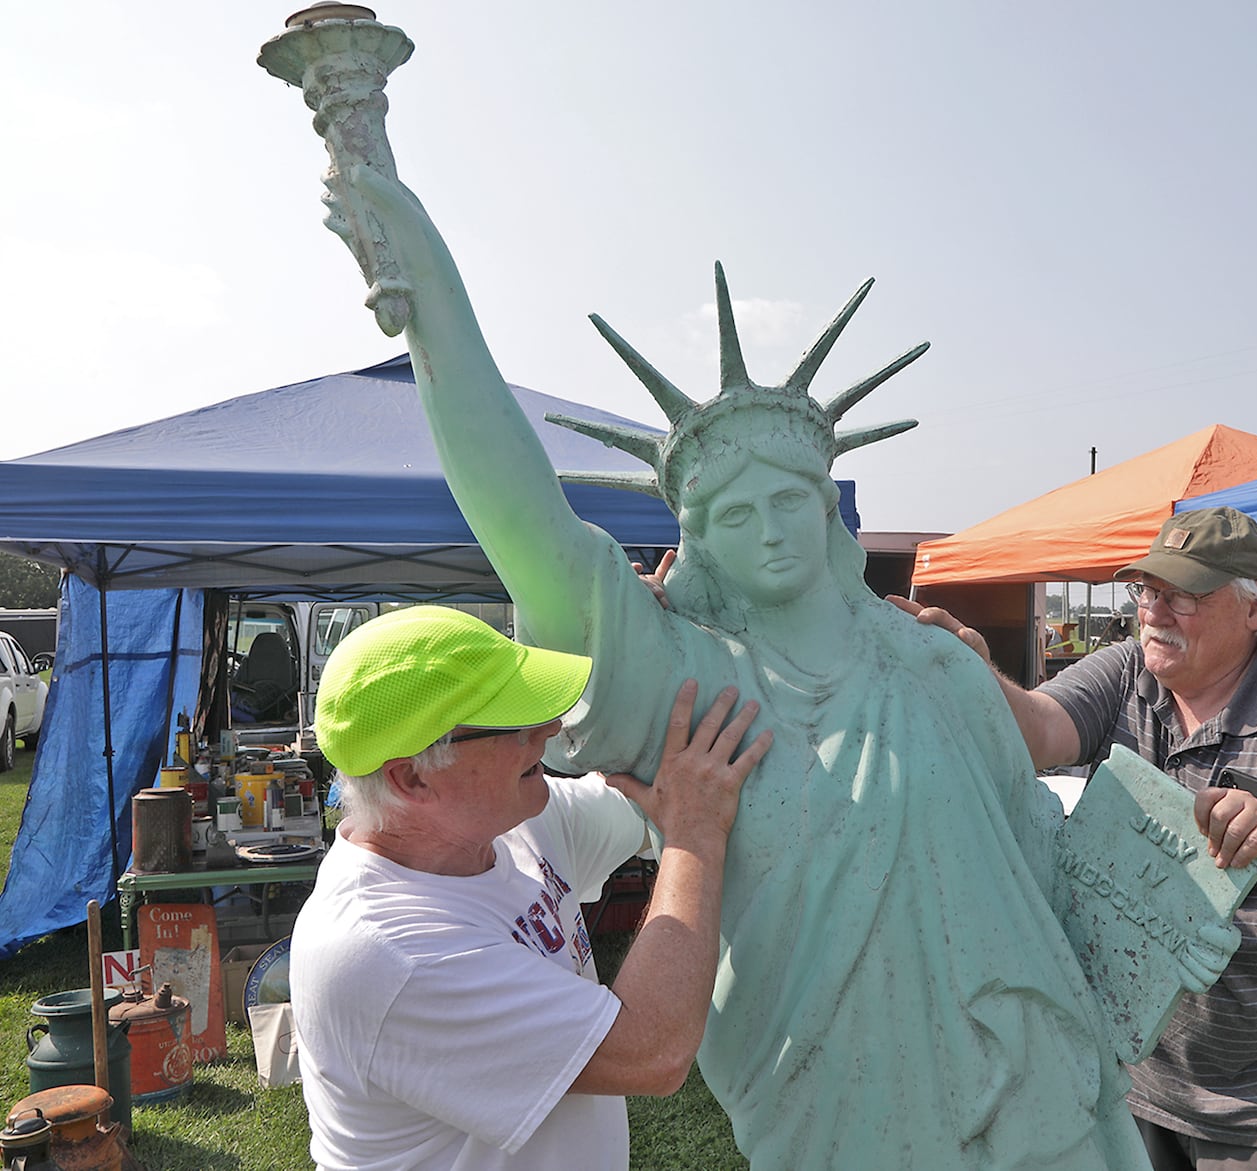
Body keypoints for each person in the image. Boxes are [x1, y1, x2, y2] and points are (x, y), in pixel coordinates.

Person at [300, 153, 1169, 1167]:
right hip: (824, 1095)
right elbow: (527, 524)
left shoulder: (928, 663)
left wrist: (1169, 877)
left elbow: (1030, 841)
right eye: (735, 511)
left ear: (829, 508)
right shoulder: (688, 682)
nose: (769, 531)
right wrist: (431, 302)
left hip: (1021, 1067)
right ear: (699, 535)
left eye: (789, 500)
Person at [901, 507, 1257, 1171]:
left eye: (1183, 594)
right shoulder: (1127, 672)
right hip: (1139, 1067)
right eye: (1148, 591)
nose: (1154, 612)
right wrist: (974, 676)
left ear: (1256, 603)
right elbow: (1038, 730)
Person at [290, 605, 771, 1170]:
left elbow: (663, 791)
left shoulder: (507, 823)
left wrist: (654, 637)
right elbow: (652, 1051)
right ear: (412, 777)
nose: (549, 728)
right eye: (515, 723)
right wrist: (694, 837)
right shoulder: (387, 954)